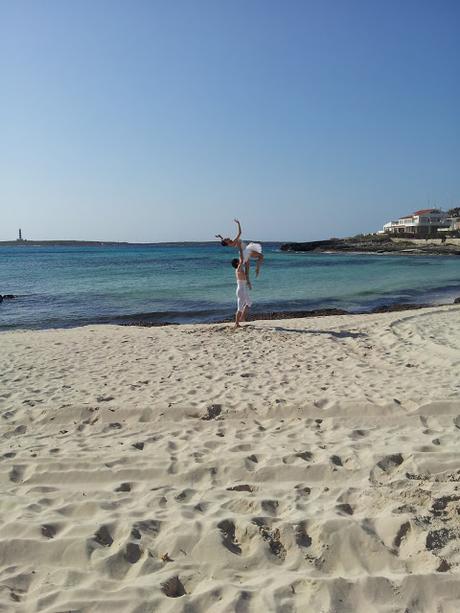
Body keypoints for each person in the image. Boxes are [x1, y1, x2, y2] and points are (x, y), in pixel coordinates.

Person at [232, 242, 252, 328]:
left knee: (249, 303)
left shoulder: (239, 269)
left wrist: (248, 282)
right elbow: (241, 257)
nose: (240, 261)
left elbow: (244, 276)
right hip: (241, 290)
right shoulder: (239, 268)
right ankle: (237, 323)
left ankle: (242, 318)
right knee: (240, 307)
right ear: (237, 264)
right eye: (238, 261)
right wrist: (240, 248)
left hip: (242, 289)